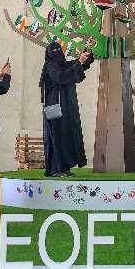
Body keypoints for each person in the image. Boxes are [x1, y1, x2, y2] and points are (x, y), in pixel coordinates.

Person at [40, 41, 93, 177]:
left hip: (66, 107)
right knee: (57, 135)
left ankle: (64, 167)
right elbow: (62, 76)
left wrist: (88, 49)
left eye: (59, 49)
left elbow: (80, 65)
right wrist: (79, 62)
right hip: (55, 107)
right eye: (55, 51)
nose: (58, 52)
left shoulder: (63, 65)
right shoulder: (51, 67)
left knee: (66, 134)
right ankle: (55, 169)